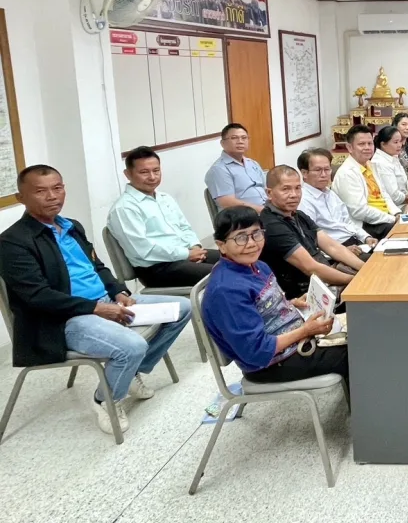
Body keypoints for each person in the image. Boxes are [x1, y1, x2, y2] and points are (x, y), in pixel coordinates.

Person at [0, 165, 192, 435]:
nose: (52, 196)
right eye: (41, 191)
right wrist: (97, 308)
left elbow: (97, 266)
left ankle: (131, 372)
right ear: (21, 198)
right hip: (64, 318)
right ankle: (105, 400)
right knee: (132, 345)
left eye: (57, 188)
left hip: (104, 301)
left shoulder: (71, 226)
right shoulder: (13, 242)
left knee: (182, 308)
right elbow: (37, 296)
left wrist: (119, 292)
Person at [201, 206, 348, 385]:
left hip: (293, 341)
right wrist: (305, 331)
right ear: (221, 245)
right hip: (272, 365)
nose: (252, 243)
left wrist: (291, 303)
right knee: (358, 353)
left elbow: (260, 308)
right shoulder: (226, 291)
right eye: (240, 237)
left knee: (361, 332)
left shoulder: (258, 265)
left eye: (256, 234)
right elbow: (257, 352)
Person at [107, 146, 219, 288]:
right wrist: (186, 254)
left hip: (185, 255)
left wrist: (195, 247)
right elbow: (143, 250)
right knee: (225, 274)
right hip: (158, 268)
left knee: (240, 261)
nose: (152, 177)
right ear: (128, 174)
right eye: (144, 172)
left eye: (156, 170)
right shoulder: (124, 208)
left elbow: (184, 227)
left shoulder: (165, 198)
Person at [259, 166, 365, 300]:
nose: (294, 194)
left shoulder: (299, 215)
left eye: (298, 188)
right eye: (286, 189)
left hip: (325, 280)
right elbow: (311, 268)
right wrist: (356, 280)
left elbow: (332, 246)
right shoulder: (272, 225)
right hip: (304, 294)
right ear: (269, 193)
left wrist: (365, 270)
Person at [297, 148, 378, 257]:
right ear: (304, 173)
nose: (324, 174)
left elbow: (347, 222)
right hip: (336, 250)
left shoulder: (330, 193)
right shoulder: (303, 201)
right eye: (318, 170)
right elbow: (310, 241)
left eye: (327, 169)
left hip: (353, 241)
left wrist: (366, 237)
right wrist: (342, 251)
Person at [333, 125, 402, 240]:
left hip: (384, 217)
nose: (367, 148)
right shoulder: (347, 173)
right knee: (402, 231)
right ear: (350, 147)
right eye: (361, 144)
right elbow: (359, 211)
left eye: (370, 143)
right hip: (365, 225)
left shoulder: (370, 164)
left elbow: (384, 194)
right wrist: (392, 219)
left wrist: (396, 213)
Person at [205, 123, 268, 211]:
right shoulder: (219, 169)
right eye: (234, 138)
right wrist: (262, 211)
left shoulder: (253, 164)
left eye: (244, 138)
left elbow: (266, 190)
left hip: (265, 210)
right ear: (222, 143)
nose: (240, 141)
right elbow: (227, 202)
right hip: (244, 216)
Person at [371, 126, 408, 205]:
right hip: (395, 207)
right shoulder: (381, 163)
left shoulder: (392, 156)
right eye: (395, 142)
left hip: (404, 200)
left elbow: (402, 181)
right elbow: (393, 196)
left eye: (400, 141)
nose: (399, 145)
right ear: (383, 144)